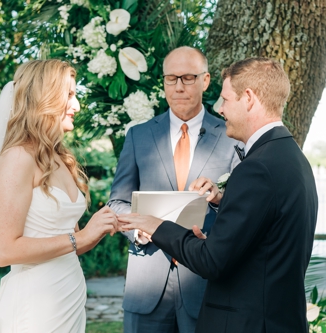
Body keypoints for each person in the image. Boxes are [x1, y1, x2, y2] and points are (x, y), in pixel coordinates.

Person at [117, 57, 319, 331]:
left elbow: (212, 261)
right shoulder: (291, 156)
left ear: (248, 98)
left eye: (225, 99)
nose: (220, 108)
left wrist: (157, 225)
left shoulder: (257, 167)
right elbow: (259, 243)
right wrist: (213, 237)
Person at [0, 59, 121, 332]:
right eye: (69, 95)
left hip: (67, 297)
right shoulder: (18, 158)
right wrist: (81, 237)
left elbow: (70, 242)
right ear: (43, 98)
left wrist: (98, 228)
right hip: (35, 307)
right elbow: (4, 251)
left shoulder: (61, 159)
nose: (77, 106)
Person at [106, 46, 240, 332]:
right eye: (171, 79)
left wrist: (218, 197)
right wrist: (137, 228)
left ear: (205, 81)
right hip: (147, 283)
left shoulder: (231, 137)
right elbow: (117, 202)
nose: (178, 87)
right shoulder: (138, 136)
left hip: (205, 283)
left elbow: (243, 207)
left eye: (188, 78)